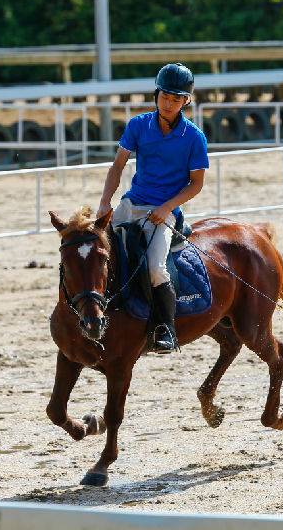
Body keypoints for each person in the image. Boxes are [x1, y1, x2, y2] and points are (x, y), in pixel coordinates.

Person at [96, 63, 209, 354]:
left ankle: (165, 329)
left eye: (176, 99)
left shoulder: (194, 138)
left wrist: (167, 207)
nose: (169, 104)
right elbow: (117, 166)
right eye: (165, 97)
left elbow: (195, 184)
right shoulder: (137, 125)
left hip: (165, 212)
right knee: (92, 248)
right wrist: (105, 203)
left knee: (156, 269)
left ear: (186, 101)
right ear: (156, 95)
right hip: (131, 203)